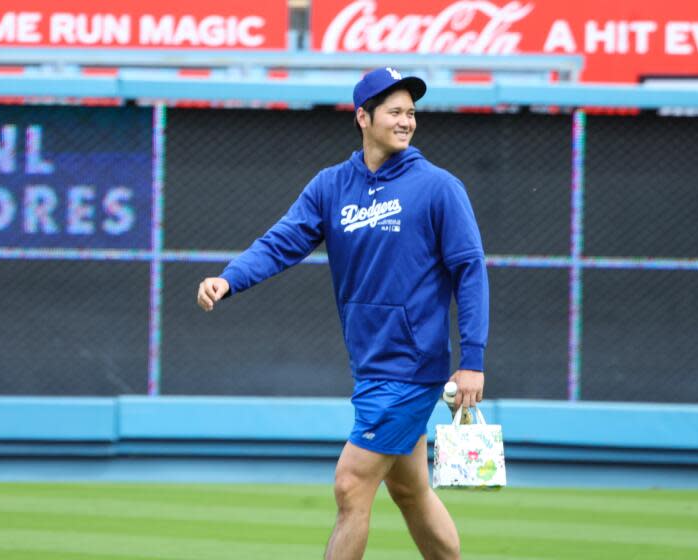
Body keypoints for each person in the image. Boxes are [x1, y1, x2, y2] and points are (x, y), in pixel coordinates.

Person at [197, 67, 489, 560]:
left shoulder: (439, 188)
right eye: (395, 112)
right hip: (371, 365)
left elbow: (470, 271)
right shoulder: (332, 186)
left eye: (411, 113)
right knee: (410, 491)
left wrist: (473, 359)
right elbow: (281, 243)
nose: (406, 121)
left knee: (351, 485)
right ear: (363, 117)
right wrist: (230, 278)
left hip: (412, 368)